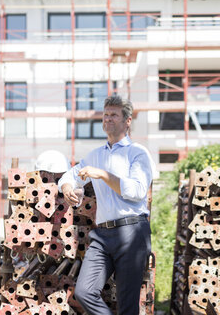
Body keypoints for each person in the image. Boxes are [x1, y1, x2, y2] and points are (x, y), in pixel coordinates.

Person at [58, 95, 155, 315]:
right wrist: (67, 188)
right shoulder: (95, 155)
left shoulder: (138, 153)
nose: (108, 119)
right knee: (84, 291)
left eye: (114, 115)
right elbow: (69, 176)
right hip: (103, 235)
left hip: (132, 232)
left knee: (127, 303)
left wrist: (102, 174)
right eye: (105, 115)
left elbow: (137, 191)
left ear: (127, 121)